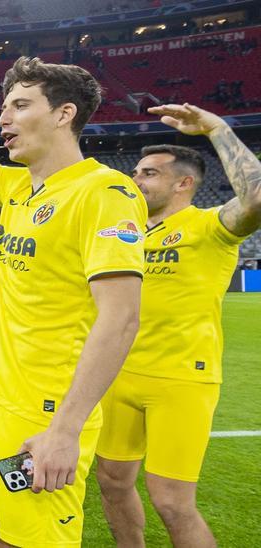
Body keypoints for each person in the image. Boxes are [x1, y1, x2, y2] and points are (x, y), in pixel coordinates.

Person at [0, 4, 144, 546]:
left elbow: (121, 319)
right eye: (4, 106)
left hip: (47, 411)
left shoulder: (104, 192)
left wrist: (64, 429)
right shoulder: (18, 186)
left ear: (64, 114)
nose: (2, 120)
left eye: (20, 105)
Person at [97, 106, 261, 547]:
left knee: (171, 501)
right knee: (112, 483)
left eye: (148, 173)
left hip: (180, 379)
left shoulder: (210, 226)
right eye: (135, 171)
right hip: (116, 375)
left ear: (183, 183)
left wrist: (217, 128)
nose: (135, 179)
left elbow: (258, 197)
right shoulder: (122, 234)